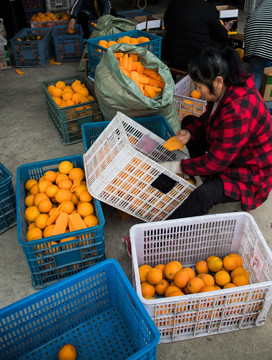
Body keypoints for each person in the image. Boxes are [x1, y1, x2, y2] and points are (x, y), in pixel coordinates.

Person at [165, 46, 272, 219]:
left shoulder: (238, 111)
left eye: (199, 87)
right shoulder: (225, 90)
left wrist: (177, 166)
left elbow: (216, 162)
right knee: (189, 122)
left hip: (249, 175)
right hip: (234, 154)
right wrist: (190, 132)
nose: (198, 92)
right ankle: (201, 174)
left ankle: (158, 237)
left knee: (204, 195)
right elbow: (209, 118)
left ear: (218, 81)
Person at [161, 0, 231, 71]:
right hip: (197, 59)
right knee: (223, 41)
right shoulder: (208, 8)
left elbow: (167, 25)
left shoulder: (173, 3)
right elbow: (221, 35)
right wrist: (225, 29)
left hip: (170, 56)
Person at [244, 0, 272, 90]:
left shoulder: (265, 3)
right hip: (267, 35)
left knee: (256, 72)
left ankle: (250, 101)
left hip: (253, 32)